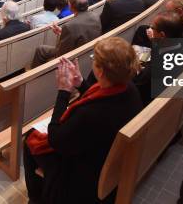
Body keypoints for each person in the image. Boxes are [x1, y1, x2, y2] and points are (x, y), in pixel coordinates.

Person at [23, 37, 143, 203]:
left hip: (81, 172)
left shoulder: (90, 115)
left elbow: (56, 139)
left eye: (95, 60)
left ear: (100, 71)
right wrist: (80, 83)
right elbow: (100, 100)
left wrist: (63, 92)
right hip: (103, 152)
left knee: (29, 140)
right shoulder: (130, 89)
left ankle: (36, 198)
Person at [31, 0, 101, 68]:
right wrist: (62, 32)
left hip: (73, 58)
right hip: (88, 54)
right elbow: (82, 35)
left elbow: (60, 54)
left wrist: (62, 35)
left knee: (40, 49)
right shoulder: (96, 16)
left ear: (70, 5)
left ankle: (34, 77)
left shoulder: (69, 26)